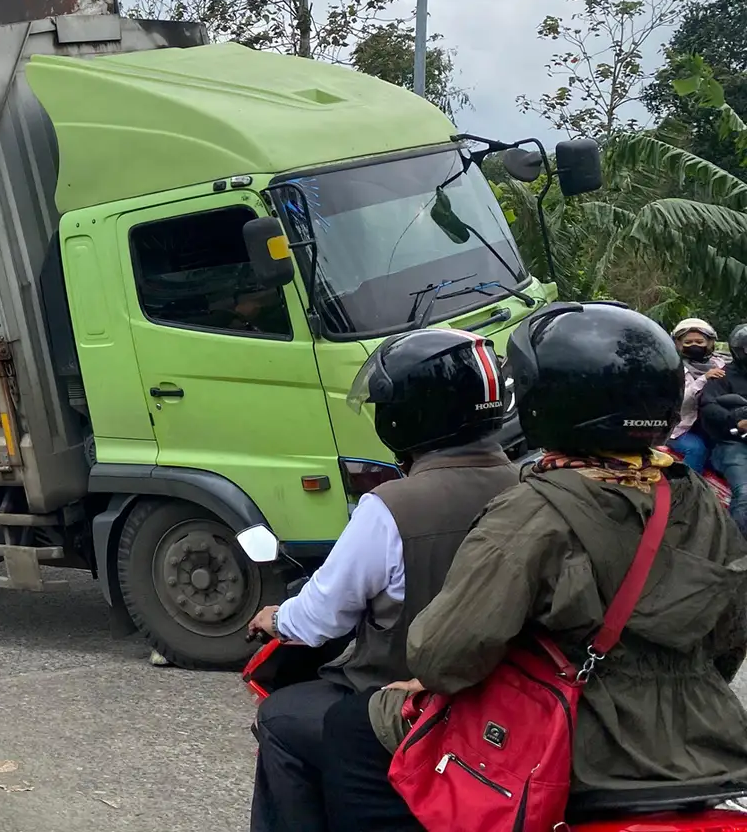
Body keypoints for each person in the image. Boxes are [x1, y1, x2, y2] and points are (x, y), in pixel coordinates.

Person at [319, 302, 747, 832]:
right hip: (712, 741)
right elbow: (729, 642)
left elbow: (442, 656)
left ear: (549, 403)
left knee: (348, 728)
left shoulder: (536, 509)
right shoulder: (703, 498)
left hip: (579, 746)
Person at [244, 329, 520, 832]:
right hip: (504, 702)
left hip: (405, 699)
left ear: (408, 414)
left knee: (282, 718)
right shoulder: (528, 489)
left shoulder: (390, 508)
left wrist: (276, 615)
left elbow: (318, 620)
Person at [701, 324, 747, 536]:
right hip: (734, 444)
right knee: (746, 494)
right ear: (739, 350)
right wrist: (736, 421)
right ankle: (738, 553)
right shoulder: (722, 376)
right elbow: (709, 408)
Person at [667, 318, 727, 474]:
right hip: (679, 428)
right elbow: (680, 400)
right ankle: (687, 491)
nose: (694, 345)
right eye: (688, 342)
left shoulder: (720, 364)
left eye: (699, 341)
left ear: (709, 343)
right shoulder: (672, 367)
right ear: (678, 344)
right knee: (697, 450)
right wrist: (704, 379)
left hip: (711, 426)